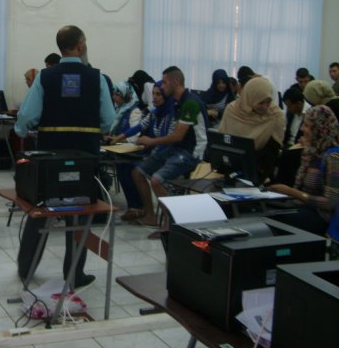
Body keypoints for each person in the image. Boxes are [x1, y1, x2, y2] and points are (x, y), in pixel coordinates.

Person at [14, 25, 115, 288]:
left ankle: (26, 268)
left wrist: (22, 131)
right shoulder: (97, 78)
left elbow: (26, 117)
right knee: (80, 213)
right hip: (86, 158)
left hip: (50, 158)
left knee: (41, 209)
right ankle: (74, 275)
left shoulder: (45, 77)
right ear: (80, 46)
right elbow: (108, 120)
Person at [132, 66, 208, 231]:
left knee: (156, 180)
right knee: (138, 172)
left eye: (165, 82)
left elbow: (178, 136)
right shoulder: (176, 102)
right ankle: (150, 215)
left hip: (191, 153)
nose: (162, 86)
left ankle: (170, 225)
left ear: (175, 82)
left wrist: (151, 142)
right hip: (176, 149)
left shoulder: (190, 103)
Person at [268, 105, 339, 237]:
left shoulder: (333, 157)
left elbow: (331, 203)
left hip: (322, 217)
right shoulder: (313, 152)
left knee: (272, 220)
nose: (302, 129)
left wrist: (292, 192)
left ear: (319, 129)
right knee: (263, 212)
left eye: (307, 125)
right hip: (305, 208)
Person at [118, 81, 175, 221]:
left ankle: (152, 214)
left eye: (159, 94)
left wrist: (150, 156)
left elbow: (169, 142)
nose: (154, 97)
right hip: (155, 154)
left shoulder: (172, 116)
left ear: (167, 96)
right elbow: (138, 127)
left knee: (136, 170)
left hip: (168, 156)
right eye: (153, 94)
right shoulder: (155, 113)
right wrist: (117, 138)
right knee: (123, 165)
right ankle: (138, 208)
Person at [219, 77, 285, 183]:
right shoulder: (232, 111)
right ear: (249, 98)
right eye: (260, 103)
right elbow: (222, 142)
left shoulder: (275, 115)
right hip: (230, 168)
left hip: (260, 172)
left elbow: (273, 150)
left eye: (268, 102)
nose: (265, 107)